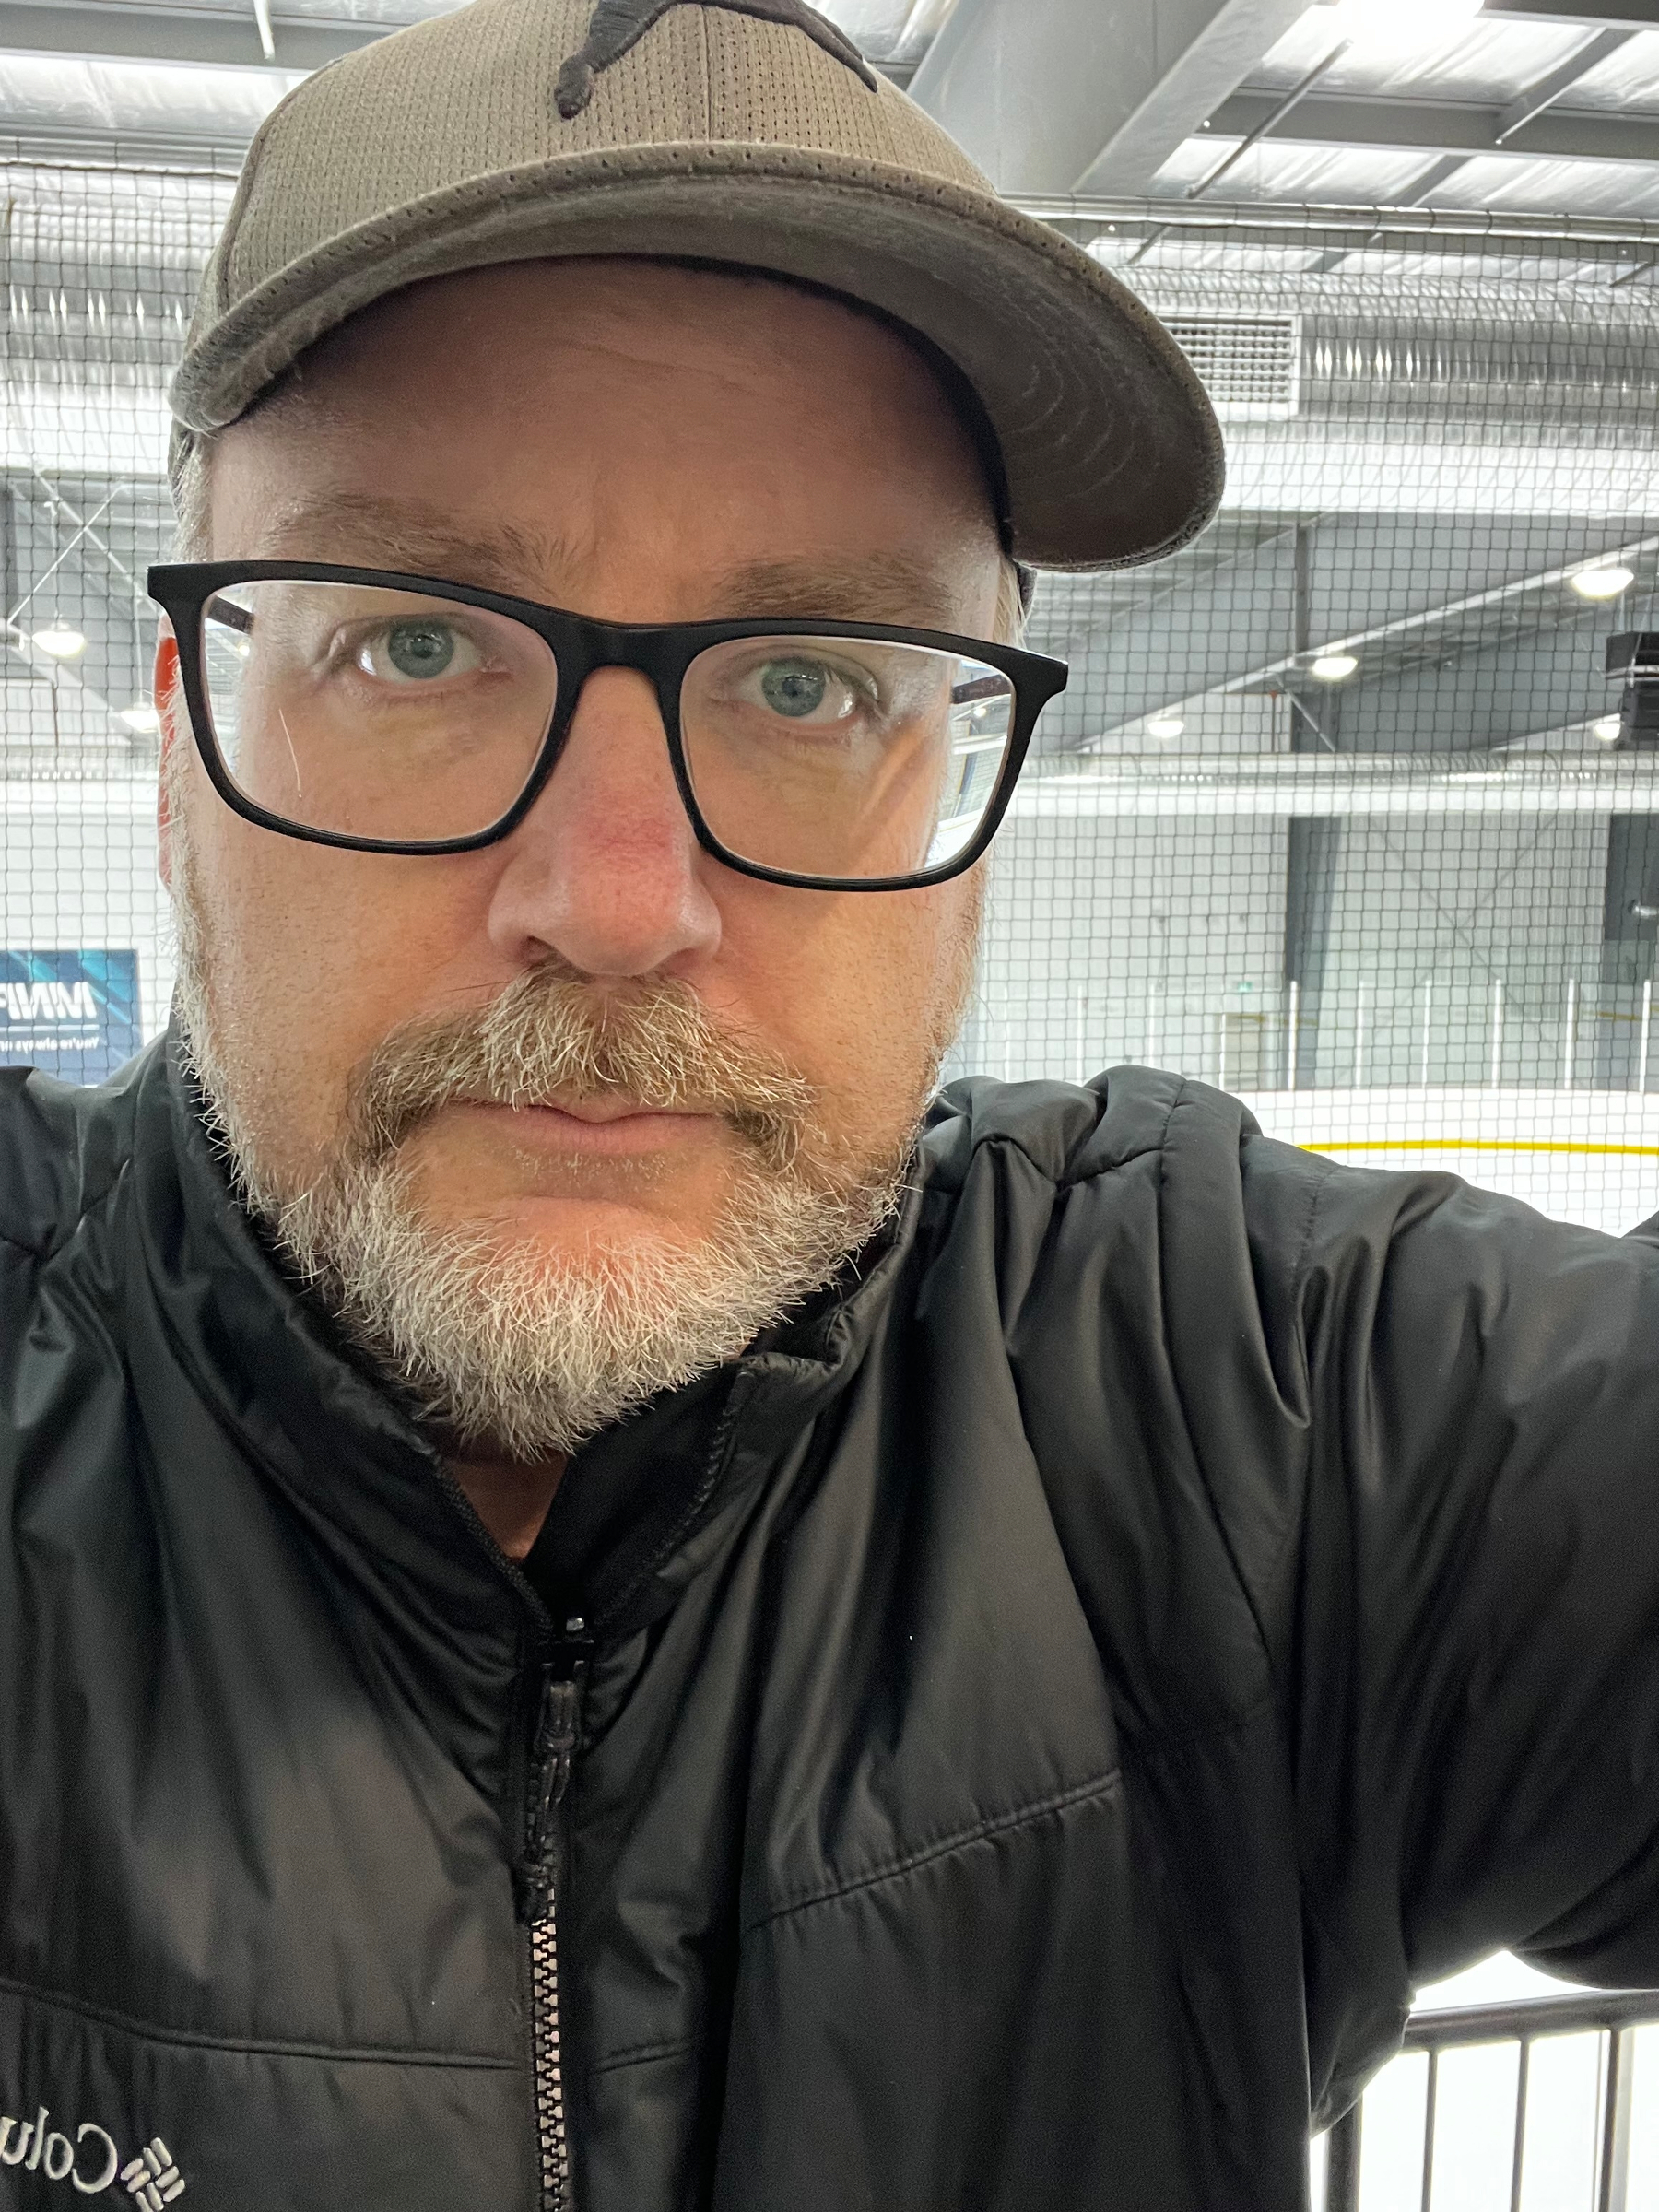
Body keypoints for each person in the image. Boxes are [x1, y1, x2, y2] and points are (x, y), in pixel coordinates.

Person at [3, 1, 1657, 2206]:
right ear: (184, 745)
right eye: (412, 643)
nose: (612, 902)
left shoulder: (1264, 1431)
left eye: (811, 682)